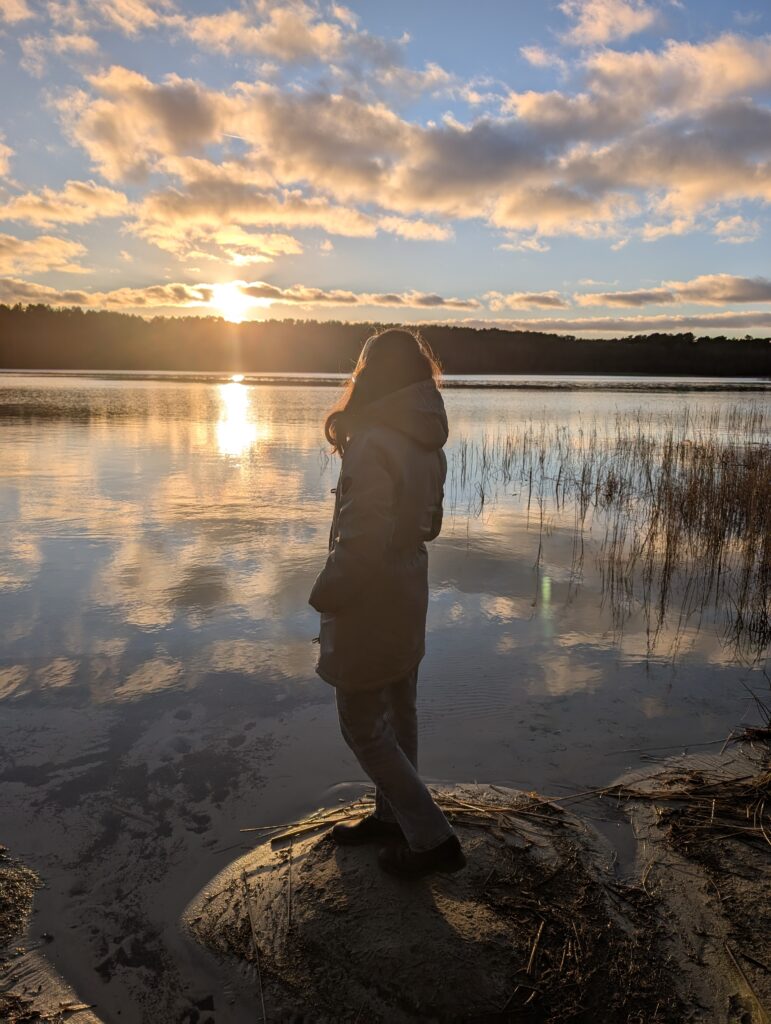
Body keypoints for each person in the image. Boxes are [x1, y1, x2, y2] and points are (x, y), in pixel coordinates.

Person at [308, 328, 465, 877]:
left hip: (372, 588)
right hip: (410, 579)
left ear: (369, 375)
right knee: (399, 709)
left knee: (360, 723)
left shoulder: (374, 439)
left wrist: (326, 591)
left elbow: (362, 542)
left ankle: (431, 839)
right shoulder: (427, 438)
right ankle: (394, 816)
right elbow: (434, 525)